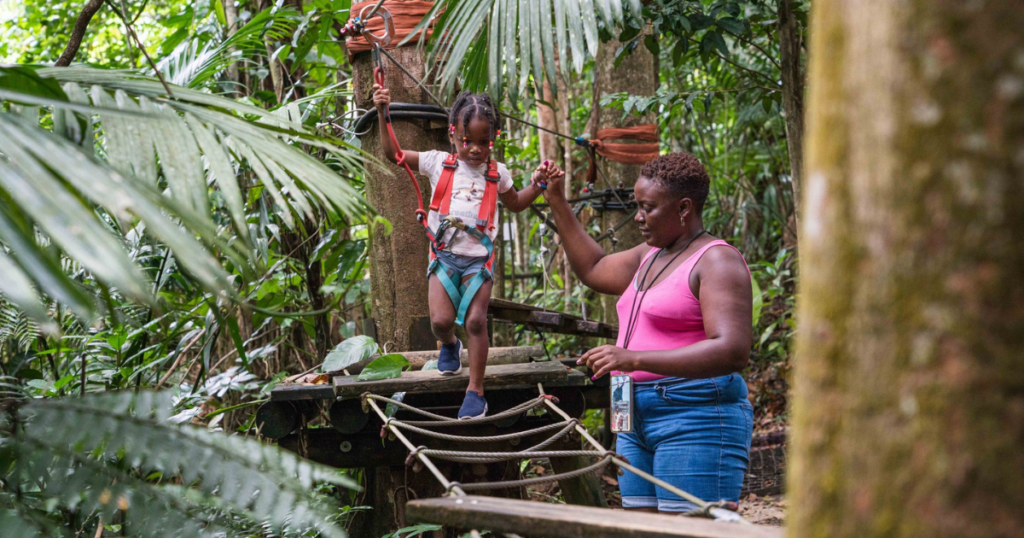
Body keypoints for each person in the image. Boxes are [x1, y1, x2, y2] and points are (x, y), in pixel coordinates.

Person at [545, 152, 753, 512]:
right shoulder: (651, 254)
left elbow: (732, 350)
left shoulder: (717, 260)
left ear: (684, 208)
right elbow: (594, 268)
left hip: (693, 415)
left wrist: (633, 357)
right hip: (632, 412)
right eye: (637, 206)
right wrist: (558, 201)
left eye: (648, 208)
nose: (638, 218)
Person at [372, 86, 564, 419]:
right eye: (466, 141)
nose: (475, 150)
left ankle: (476, 390)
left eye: (483, 142)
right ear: (453, 135)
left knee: (476, 321)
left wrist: (541, 184)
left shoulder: (498, 173)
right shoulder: (437, 163)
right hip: (443, 258)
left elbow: (516, 203)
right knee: (441, 321)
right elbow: (395, 155)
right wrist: (382, 111)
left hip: (480, 261)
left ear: (494, 138)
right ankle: (449, 345)